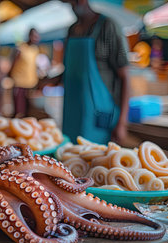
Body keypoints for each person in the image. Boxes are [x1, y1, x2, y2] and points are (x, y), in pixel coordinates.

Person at [60, 0, 129, 145]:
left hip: (99, 114)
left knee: (95, 161)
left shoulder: (108, 26)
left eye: (73, 3)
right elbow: (69, 72)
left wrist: (122, 123)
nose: (72, 7)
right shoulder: (72, 30)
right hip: (72, 113)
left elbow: (125, 77)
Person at [9, 28, 40, 118]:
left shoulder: (35, 50)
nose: (36, 38)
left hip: (31, 84)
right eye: (34, 36)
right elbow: (13, 63)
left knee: (29, 112)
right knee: (19, 112)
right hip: (19, 84)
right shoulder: (21, 48)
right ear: (29, 36)